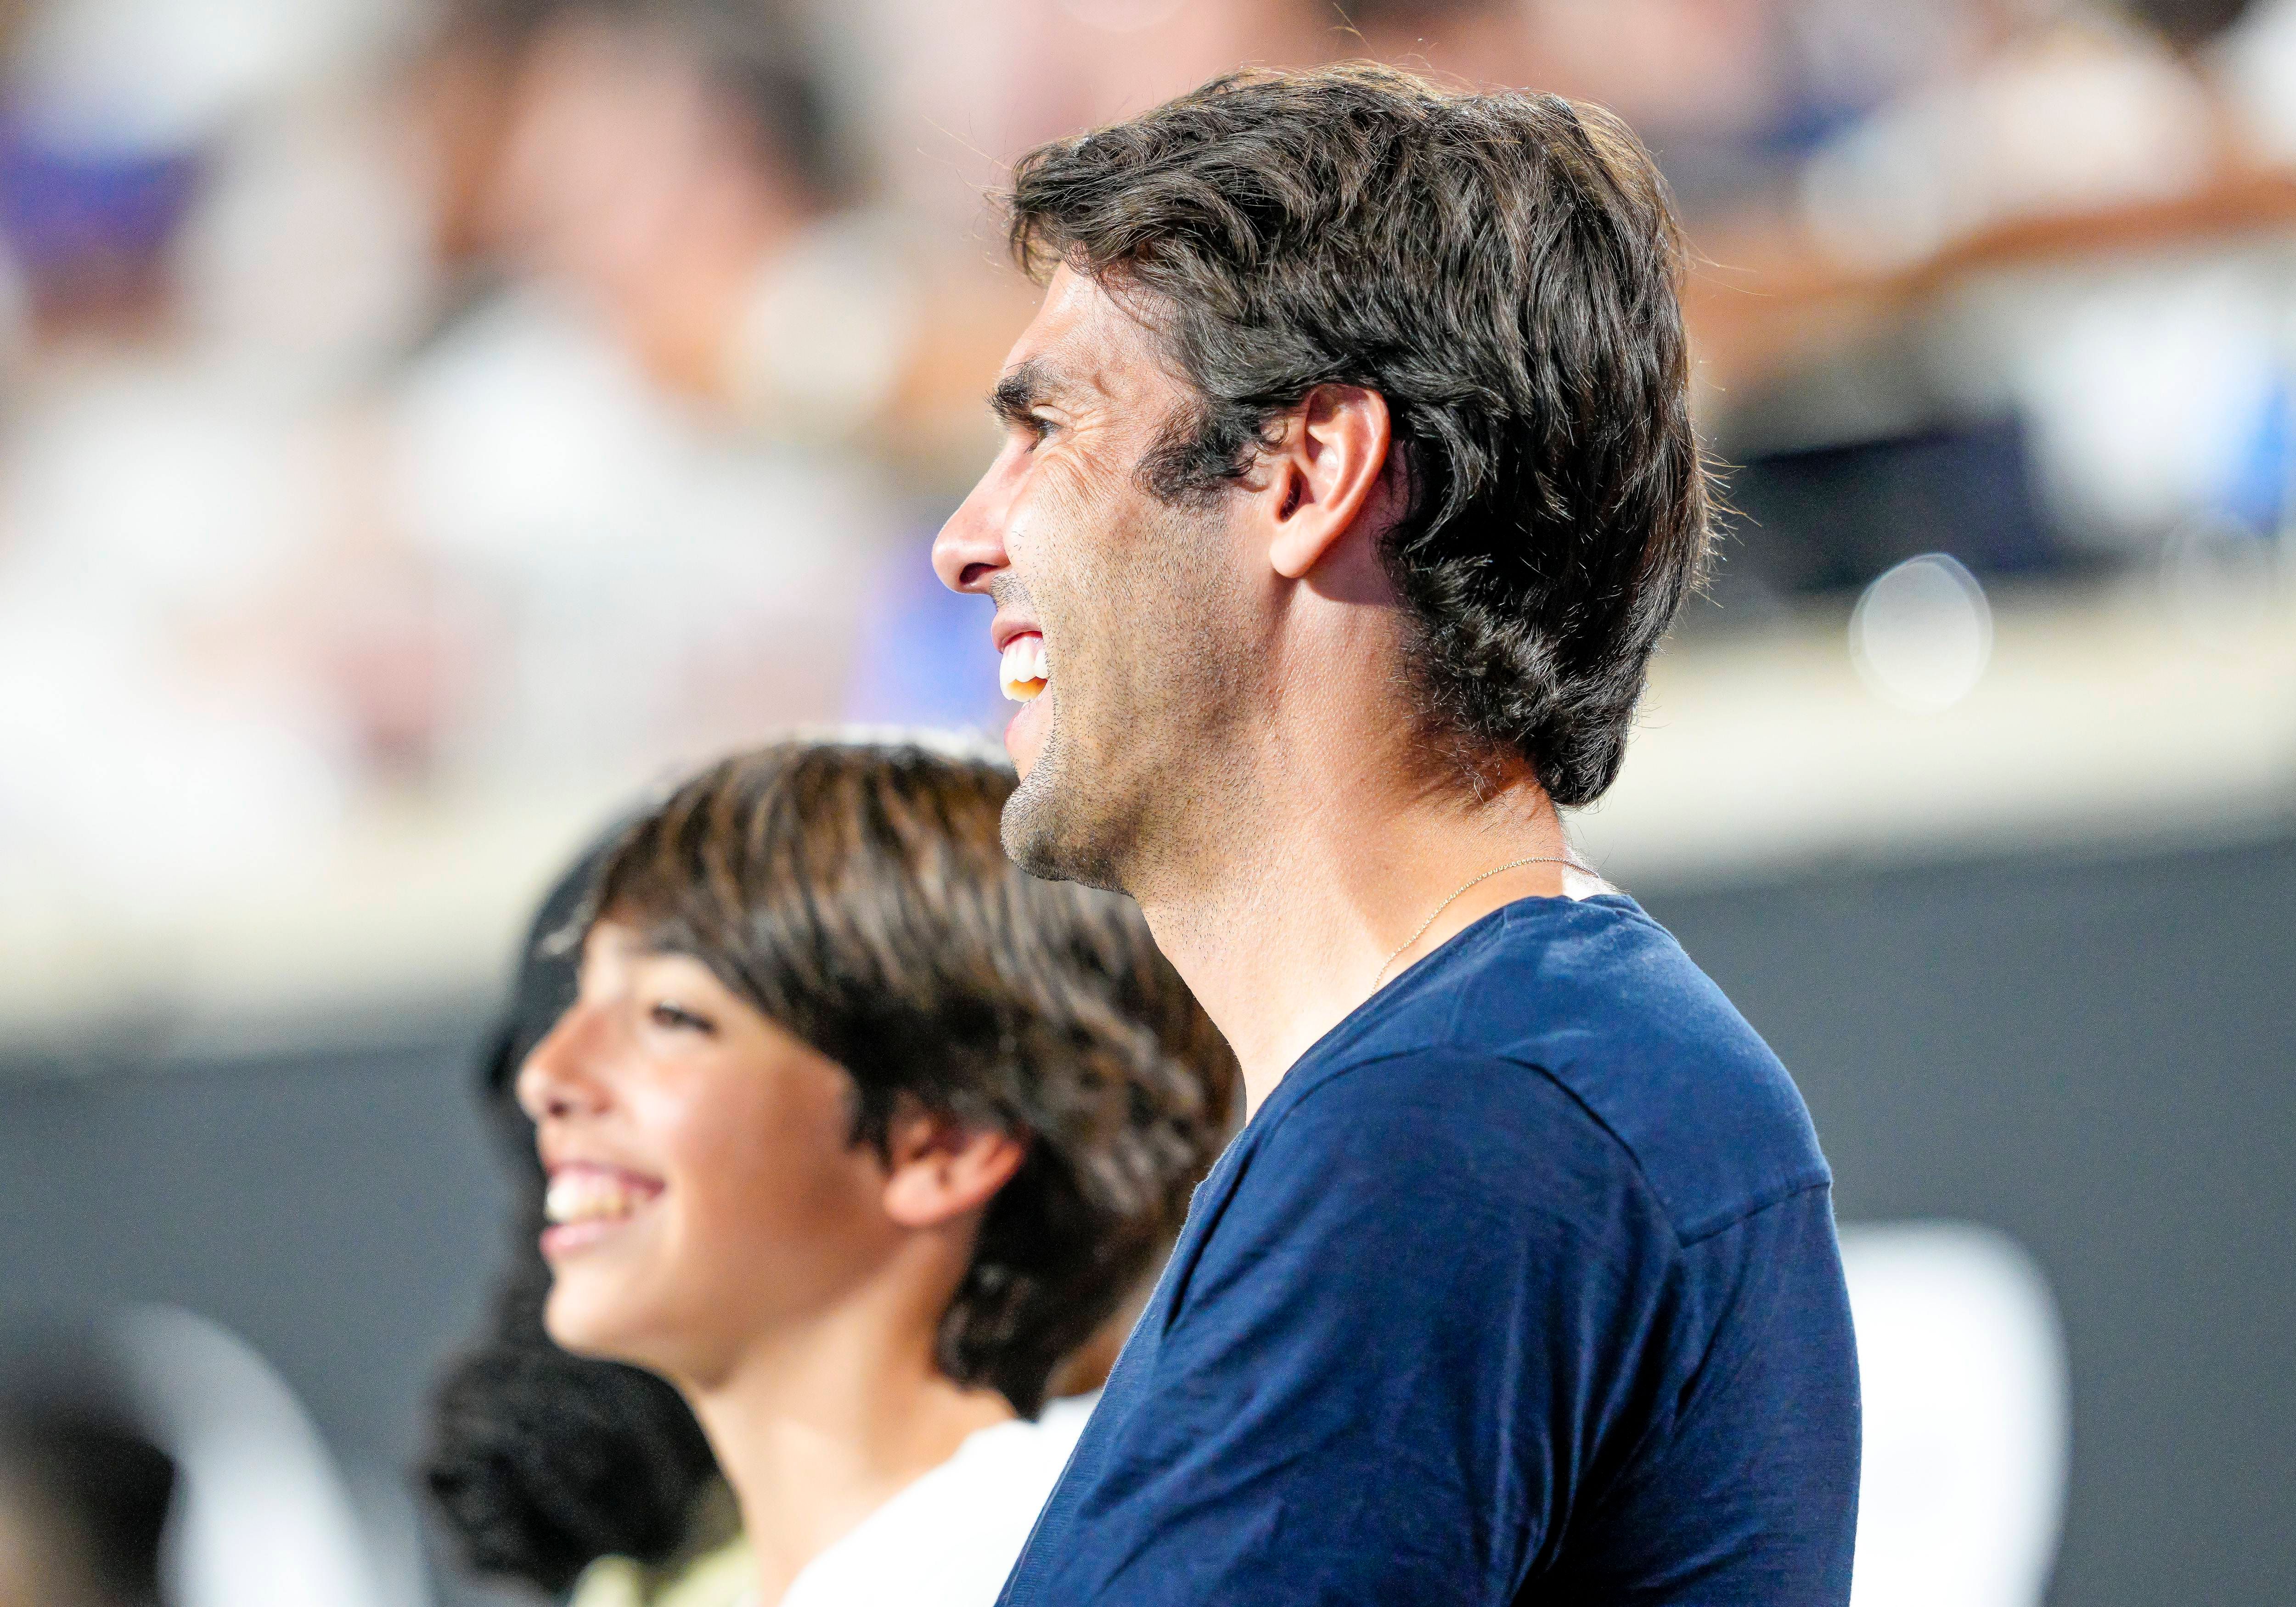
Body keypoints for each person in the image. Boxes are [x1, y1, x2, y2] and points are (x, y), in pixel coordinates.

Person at [930, 63, 1862, 1605]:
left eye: (1048, 427)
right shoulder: (1511, 1078)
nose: (970, 540)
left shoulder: (1455, 1121)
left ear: (1307, 473)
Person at [433, 738, 1236, 1607]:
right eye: (582, 1003)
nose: (546, 1077)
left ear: (945, 1142)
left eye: (670, 1016)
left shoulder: (1058, 1565)